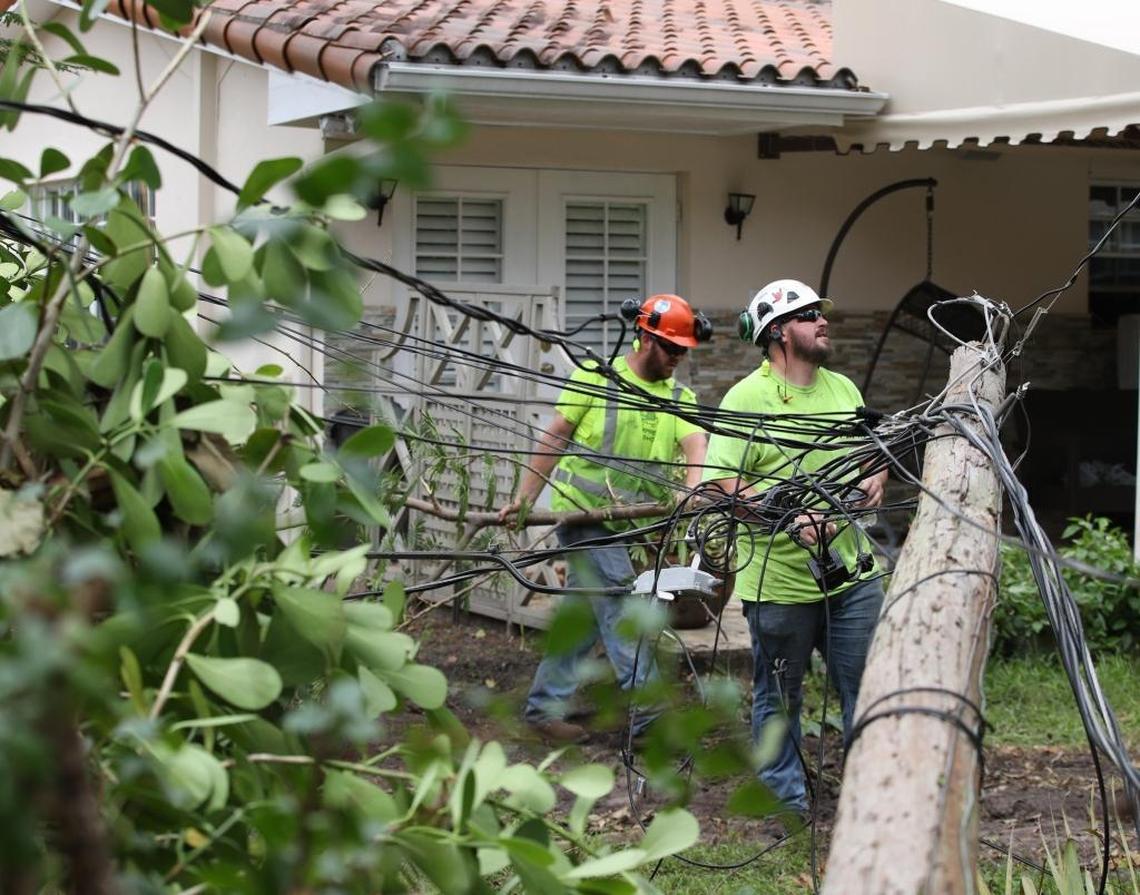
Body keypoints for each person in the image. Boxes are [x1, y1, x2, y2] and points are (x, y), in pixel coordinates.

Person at [703, 279, 888, 819]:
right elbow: (718, 485)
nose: (822, 321)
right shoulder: (745, 399)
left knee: (869, 690)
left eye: (820, 313)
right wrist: (786, 513)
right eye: (808, 315)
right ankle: (786, 803)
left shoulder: (843, 390)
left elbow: (869, 452)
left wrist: (875, 473)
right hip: (780, 587)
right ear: (778, 332)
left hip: (853, 577)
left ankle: (870, 801)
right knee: (779, 699)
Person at [499, 294, 711, 743]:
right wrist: (523, 499)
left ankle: (541, 711)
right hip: (584, 520)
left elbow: (695, 441)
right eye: (671, 348)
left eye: (683, 351)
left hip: (627, 526)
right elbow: (555, 436)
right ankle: (651, 718)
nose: (677, 358)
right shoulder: (597, 379)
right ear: (645, 337)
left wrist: (692, 487)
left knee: (584, 618)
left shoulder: (677, 397)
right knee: (621, 609)